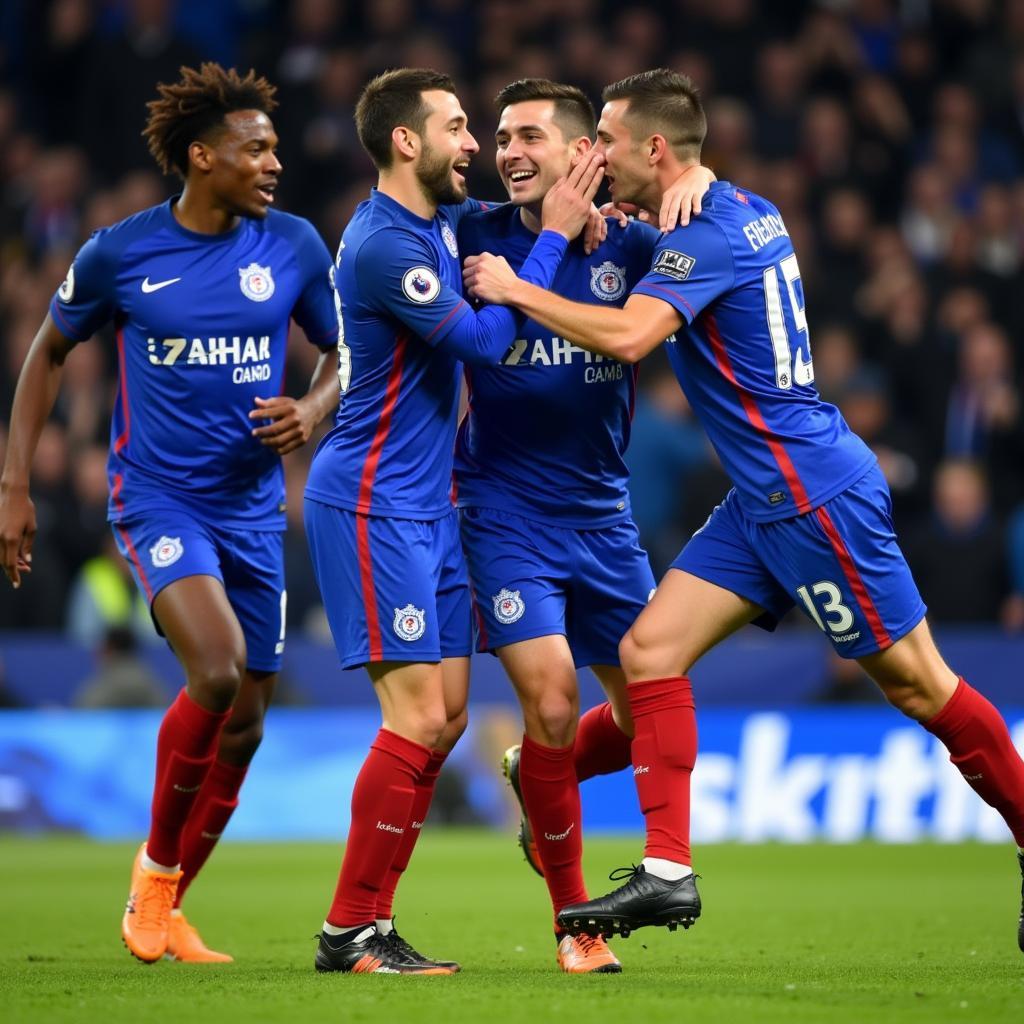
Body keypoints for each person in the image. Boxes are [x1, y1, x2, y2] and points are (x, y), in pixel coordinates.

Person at [464, 68, 1024, 954]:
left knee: (924, 686)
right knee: (649, 651)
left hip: (813, 496)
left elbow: (632, 335)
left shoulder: (706, 234)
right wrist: (636, 221)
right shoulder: (737, 207)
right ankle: (667, 868)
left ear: (653, 147)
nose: (592, 157)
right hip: (759, 499)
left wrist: (516, 288)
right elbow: (680, 242)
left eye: (604, 140)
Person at [0, 63, 341, 964]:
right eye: (254, 149)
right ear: (202, 156)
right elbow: (45, 354)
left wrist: (311, 410)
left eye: (275, 148)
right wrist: (14, 487)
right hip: (157, 497)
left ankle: (167, 901)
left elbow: (345, 357)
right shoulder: (121, 251)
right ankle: (152, 883)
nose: (274, 163)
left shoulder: (296, 246)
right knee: (219, 673)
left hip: (253, 508)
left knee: (250, 721)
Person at [302, 67, 605, 976]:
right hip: (370, 502)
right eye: (460, 126)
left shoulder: (436, 220)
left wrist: (592, 220)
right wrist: (548, 245)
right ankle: (349, 931)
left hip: (429, 506)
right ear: (407, 140)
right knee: (416, 716)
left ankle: (372, 923)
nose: (476, 144)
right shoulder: (385, 243)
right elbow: (481, 340)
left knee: (447, 719)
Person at [455, 77, 712, 974]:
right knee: (555, 698)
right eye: (501, 136)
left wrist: (699, 176)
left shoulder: (634, 247)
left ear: (583, 154)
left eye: (531, 136)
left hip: (604, 518)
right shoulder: (470, 237)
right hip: (503, 511)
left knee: (644, 714)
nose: (510, 151)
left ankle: (537, 775)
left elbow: (716, 220)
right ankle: (578, 924)